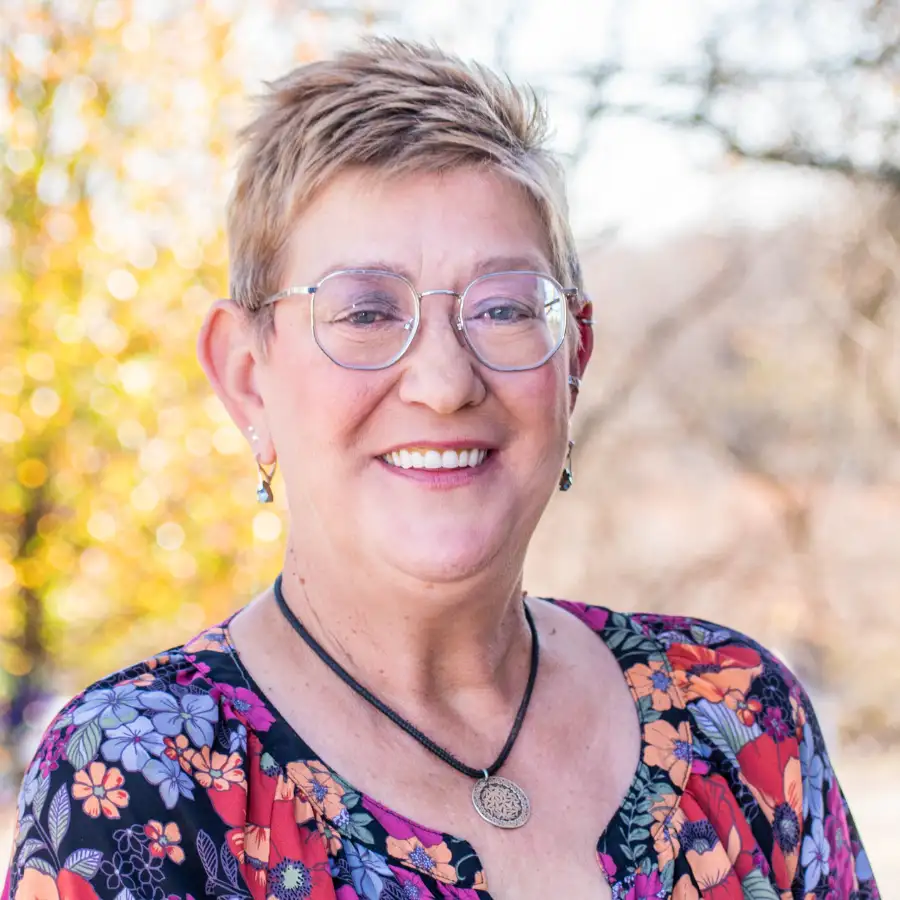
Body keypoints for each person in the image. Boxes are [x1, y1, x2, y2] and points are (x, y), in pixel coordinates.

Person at [4, 38, 879, 900]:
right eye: (365, 312)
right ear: (247, 378)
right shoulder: (138, 779)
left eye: (500, 308)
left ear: (573, 356)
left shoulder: (738, 718)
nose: (445, 382)